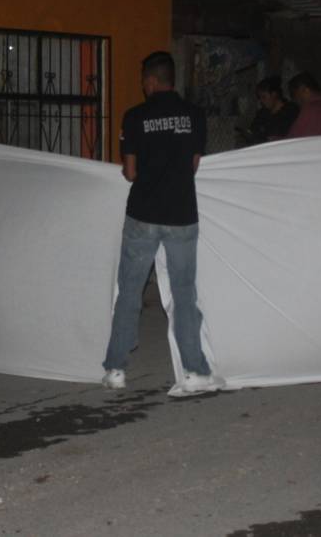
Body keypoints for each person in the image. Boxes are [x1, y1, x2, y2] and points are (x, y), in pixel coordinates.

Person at [103, 51, 224, 396]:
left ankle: (116, 369)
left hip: (142, 214)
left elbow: (130, 172)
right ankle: (195, 370)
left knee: (130, 291)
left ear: (152, 80)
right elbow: (193, 165)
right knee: (184, 293)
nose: (143, 85)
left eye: (144, 79)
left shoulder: (134, 116)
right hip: (182, 215)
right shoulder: (194, 115)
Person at [239, 76, 299, 145]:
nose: (261, 101)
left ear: (274, 94)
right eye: (259, 98)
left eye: (264, 97)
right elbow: (253, 131)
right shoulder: (262, 113)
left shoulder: (291, 111)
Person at [286, 71, 321, 138]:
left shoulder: (310, 109)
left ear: (304, 89)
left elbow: (294, 139)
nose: (295, 100)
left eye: (294, 94)